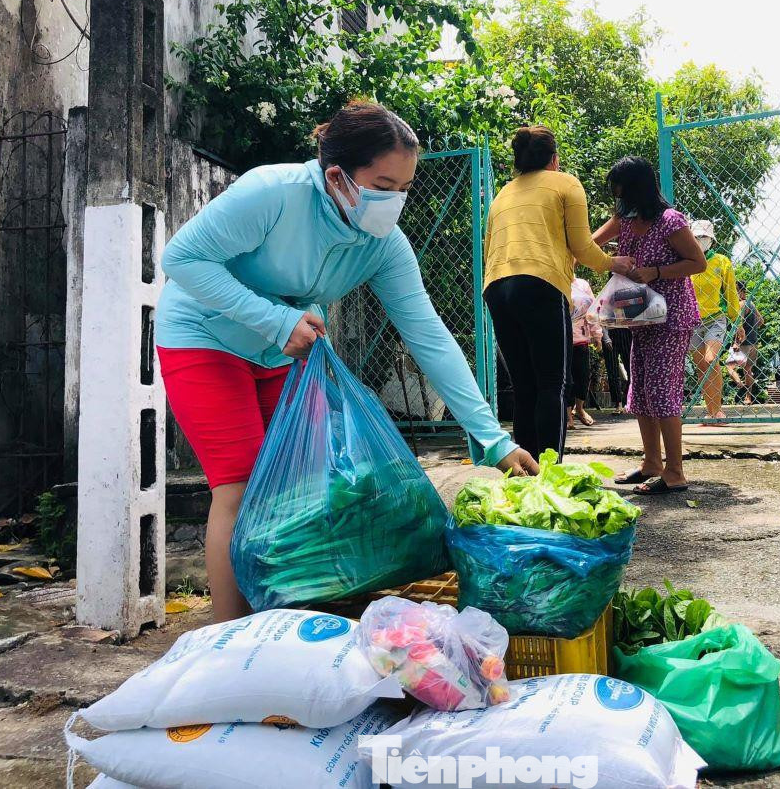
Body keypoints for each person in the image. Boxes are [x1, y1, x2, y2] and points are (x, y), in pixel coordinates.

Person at [157, 102, 537, 621]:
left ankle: (280, 622)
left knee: (294, 491)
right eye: (384, 184)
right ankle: (230, 639)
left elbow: (428, 336)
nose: (395, 201)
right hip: (204, 336)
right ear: (337, 176)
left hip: (284, 352)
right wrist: (273, 320)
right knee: (243, 486)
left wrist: (493, 438)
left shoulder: (383, 246)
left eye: (404, 189)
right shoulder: (274, 193)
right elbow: (181, 258)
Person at [483, 126, 634, 460]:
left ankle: (523, 472)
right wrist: (615, 263)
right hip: (540, 282)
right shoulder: (565, 182)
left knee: (524, 385)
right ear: (554, 159)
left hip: (496, 286)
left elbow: (489, 249)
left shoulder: (501, 195)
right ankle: (551, 473)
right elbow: (582, 246)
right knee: (553, 383)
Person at [592, 157, 705, 495]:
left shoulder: (670, 221)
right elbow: (591, 243)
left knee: (662, 391)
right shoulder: (624, 220)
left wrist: (655, 272)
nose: (618, 198)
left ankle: (675, 472)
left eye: (621, 191)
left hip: (671, 317)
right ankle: (652, 462)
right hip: (639, 316)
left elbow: (697, 262)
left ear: (637, 188)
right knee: (640, 390)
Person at [688, 219, 740, 424]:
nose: (701, 240)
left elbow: (731, 293)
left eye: (704, 237)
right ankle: (710, 411)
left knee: (711, 361)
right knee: (701, 366)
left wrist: (737, 321)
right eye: (697, 236)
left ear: (711, 240)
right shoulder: (686, 262)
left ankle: (718, 411)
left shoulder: (721, 261)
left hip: (715, 319)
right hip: (692, 321)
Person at [567, 274, 600, 428]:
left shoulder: (582, 285)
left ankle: (579, 408)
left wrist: (597, 335)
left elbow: (592, 312)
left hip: (581, 339)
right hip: (562, 340)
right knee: (566, 380)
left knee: (583, 378)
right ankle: (568, 417)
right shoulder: (554, 280)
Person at [731, 283, 764, 404]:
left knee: (729, 368)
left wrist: (736, 342)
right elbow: (761, 321)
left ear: (741, 292)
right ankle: (748, 397)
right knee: (748, 370)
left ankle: (740, 385)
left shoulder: (740, 304)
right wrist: (752, 329)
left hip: (743, 342)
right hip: (754, 342)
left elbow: (739, 326)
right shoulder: (752, 304)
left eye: (735, 291)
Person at [602, 326, 632, 413]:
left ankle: (628, 400)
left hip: (626, 331)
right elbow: (600, 318)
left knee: (632, 370)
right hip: (610, 332)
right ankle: (618, 404)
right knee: (612, 371)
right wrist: (606, 337)